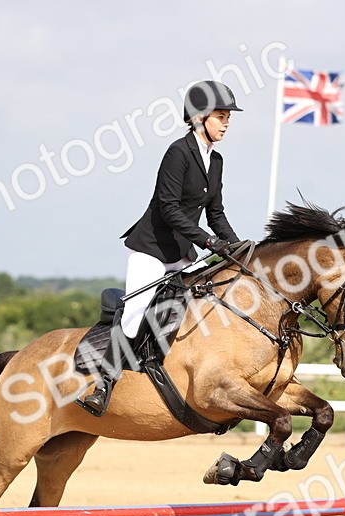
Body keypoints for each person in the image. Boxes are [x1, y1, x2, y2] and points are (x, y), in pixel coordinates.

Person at [82, 80, 244, 416]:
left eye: (228, 116)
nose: (226, 122)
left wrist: (238, 248)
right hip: (152, 249)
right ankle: (103, 383)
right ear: (199, 118)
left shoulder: (217, 162)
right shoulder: (178, 152)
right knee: (137, 309)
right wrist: (209, 242)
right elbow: (168, 208)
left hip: (183, 254)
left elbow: (215, 213)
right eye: (220, 116)